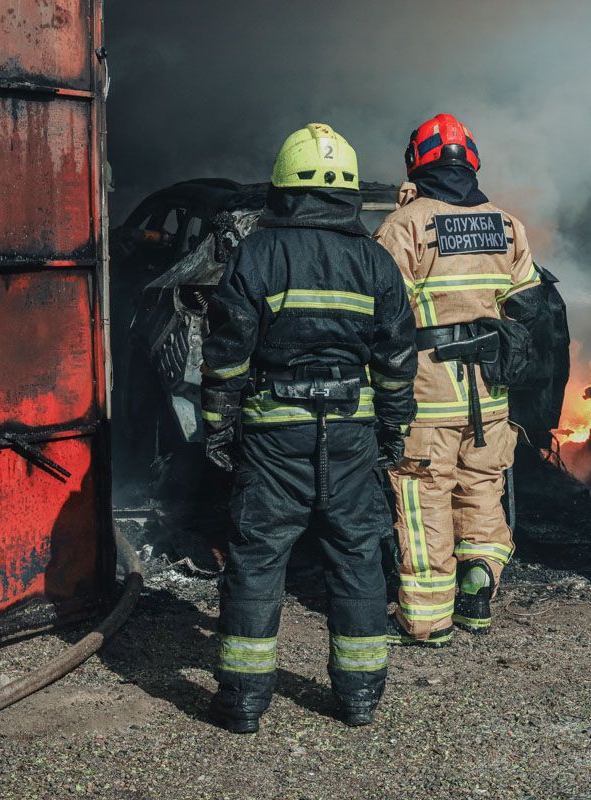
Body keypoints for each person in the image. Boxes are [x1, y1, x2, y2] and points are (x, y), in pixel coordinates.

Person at [200, 123, 417, 731]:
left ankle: (242, 702)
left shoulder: (255, 257)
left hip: (274, 442)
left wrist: (219, 429)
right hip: (351, 437)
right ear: (347, 190)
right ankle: (359, 698)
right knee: (356, 559)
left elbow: (226, 358)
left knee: (257, 560)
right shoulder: (374, 261)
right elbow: (398, 360)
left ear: (283, 189)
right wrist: (393, 428)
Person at [374, 113, 543, 646]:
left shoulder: (405, 226)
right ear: (471, 160)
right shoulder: (507, 224)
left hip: (427, 396)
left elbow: (380, 315)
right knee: (482, 488)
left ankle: (426, 620)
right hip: (490, 395)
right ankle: (478, 586)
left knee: (424, 498)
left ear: (415, 162)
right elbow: (531, 305)